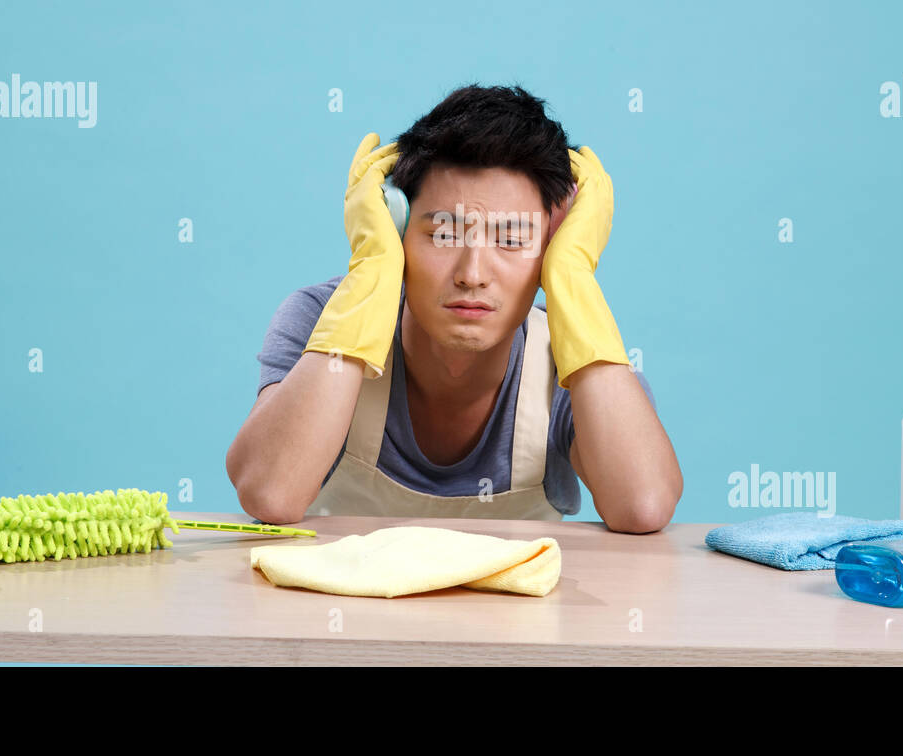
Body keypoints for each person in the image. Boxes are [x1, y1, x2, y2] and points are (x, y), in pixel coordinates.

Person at [226, 84, 682, 532]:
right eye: (444, 234)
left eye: (511, 239)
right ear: (396, 225)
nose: (472, 273)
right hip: (347, 608)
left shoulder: (570, 356)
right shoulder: (320, 320)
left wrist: (573, 276)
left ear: (552, 242)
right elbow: (270, 492)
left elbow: (642, 505)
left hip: (519, 609)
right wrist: (374, 268)